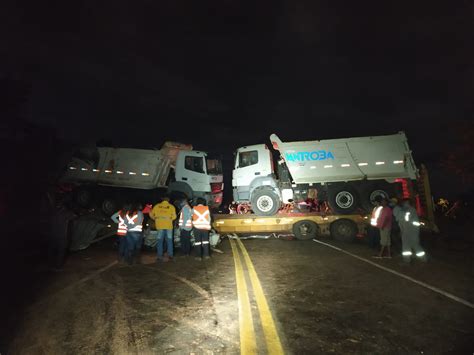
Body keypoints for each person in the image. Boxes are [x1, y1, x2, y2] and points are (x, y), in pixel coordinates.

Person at [399, 199, 426, 264]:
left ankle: (423, 259)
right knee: (406, 246)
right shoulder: (405, 211)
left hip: (411, 231)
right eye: (404, 203)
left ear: (408, 203)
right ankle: (407, 260)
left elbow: (407, 220)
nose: (404, 204)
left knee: (415, 245)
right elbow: (403, 222)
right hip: (407, 231)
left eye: (405, 203)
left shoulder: (410, 210)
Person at [150, 197, 177, 262]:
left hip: (159, 226)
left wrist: (156, 219)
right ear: (168, 200)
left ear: (162, 200)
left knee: (160, 241)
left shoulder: (157, 206)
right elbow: (174, 217)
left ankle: (159, 256)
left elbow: (151, 214)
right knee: (169, 241)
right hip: (168, 226)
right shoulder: (171, 207)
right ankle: (170, 255)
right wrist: (169, 219)